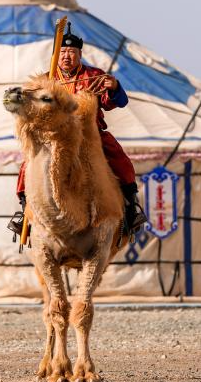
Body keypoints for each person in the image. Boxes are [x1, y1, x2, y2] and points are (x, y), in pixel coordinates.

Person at [8, 23, 148, 237]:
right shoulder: (46, 80)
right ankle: (24, 210)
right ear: (57, 54)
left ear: (79, 54)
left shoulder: (94, 76)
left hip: (90, 132)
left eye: (72, 52)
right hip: (57, 136)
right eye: (63, 52)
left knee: (120, 159)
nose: (67, 56)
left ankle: (131, 208)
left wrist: (114, 87)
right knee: (29, 164)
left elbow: (117, 102)